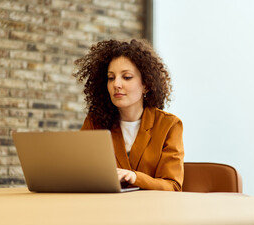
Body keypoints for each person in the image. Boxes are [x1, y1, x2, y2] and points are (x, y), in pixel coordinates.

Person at [74, 39, 184, 191]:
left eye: (126, 77)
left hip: (151, 210)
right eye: (111, 78)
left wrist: (134, 177)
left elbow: (173, 186)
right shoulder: (94, 122)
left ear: (146, 84)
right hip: (105, 210)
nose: (116, 84)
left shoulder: (169, 125)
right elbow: (79, 175)